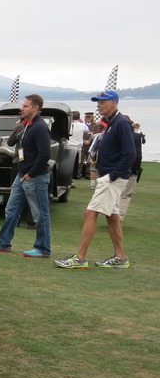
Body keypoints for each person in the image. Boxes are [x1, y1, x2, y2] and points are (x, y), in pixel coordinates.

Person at [55, 91, 136, 269]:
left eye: (103, 102)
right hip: (109, 176)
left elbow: (130, 153)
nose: (99, 105)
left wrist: (112, 175)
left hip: (112, 178)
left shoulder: (121, 123)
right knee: (112, 217)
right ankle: (121, 257)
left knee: (90, 213)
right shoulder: (112, 123)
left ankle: (81, 258)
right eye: (98, 102)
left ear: (114, 103)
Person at [0, 94, 52, 258]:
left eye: (26, 106)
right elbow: (13, 143)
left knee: (40, 213)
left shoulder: (40, 127)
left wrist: (31, 174)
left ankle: (43, 248)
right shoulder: (26, 125)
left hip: (34, 177)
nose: (22, 108)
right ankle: (3, 243)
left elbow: (44, 155)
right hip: (22, 175)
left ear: (35, 108)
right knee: (12, 210)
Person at [118, 121, 145, 220]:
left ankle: (114, 215)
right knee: (125, 195)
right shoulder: (137, 137)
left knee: (118, 193)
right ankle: (118, 217)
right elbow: (138, 155)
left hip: (118, 168)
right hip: (129, 168)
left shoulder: (116, 135)